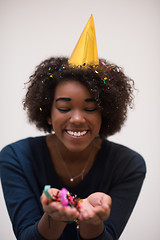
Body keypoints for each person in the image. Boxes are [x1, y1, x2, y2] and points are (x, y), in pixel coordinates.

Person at [0, 16, 146, 240]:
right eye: (64, 107)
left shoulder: (127, 165)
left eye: (90, 109)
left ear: (104, 114)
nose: (77, 118)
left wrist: (92, 222)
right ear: (48, 114)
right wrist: (53, 219)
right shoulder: (16, 158)